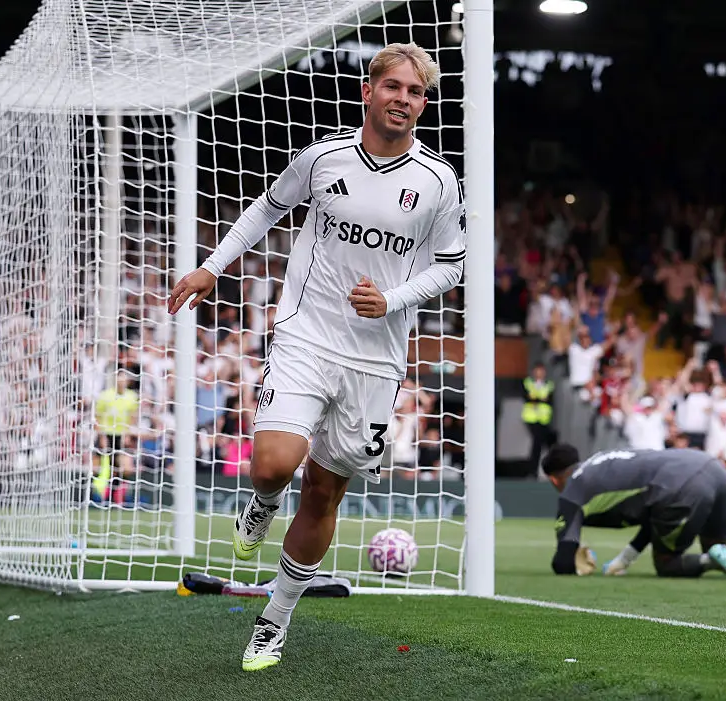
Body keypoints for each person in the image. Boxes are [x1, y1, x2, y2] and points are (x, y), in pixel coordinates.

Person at [167, 43, 465, 672]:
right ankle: (261, 503)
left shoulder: (438, 181)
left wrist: (392, 300)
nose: (404, 100)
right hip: (306, 336)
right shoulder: (324, 157)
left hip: (376, 363)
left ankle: (274, 621)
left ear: (423, 104)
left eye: (415, 92)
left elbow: (451, 266)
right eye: (394, 87)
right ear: (369, 91)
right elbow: (265, 209)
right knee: (274, 465)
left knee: (325, 493)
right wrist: (211, 268)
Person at [540, 443, 726, 581]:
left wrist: (578, 562)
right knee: (720, 547)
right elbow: (652, 515)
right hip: (709, 467)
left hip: (676, 486)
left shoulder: (571, 493)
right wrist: (624, 559)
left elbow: (562, 562)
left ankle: (710, 560)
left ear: (554, 480)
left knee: (667, 564)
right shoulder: (604, 458)